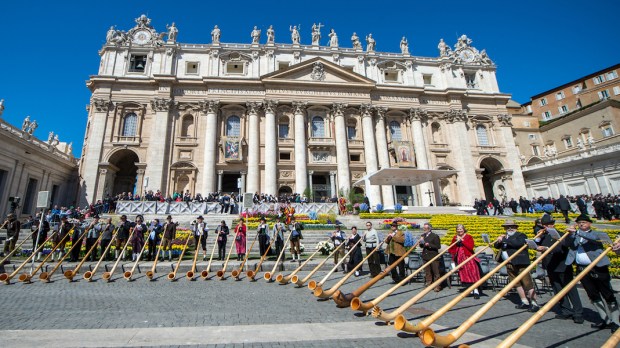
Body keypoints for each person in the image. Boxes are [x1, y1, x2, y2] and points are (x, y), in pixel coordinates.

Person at [565, 214, 619, 331]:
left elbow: (594, 239)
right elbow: (568, 244)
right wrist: (570, 235)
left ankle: (616, 321)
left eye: (584, 222)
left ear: (590, 223)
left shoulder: (596, 234)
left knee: (607, 294)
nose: (581, 224)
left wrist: (577, 233)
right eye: (579, 222)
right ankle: (605, 319)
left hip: (598, 267)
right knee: (592, 295)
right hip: (582, 268)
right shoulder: (575, 235)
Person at [535, 214, 584, 323]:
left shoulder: (561, 234)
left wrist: (546, 248)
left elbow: (560, 248)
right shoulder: (543, 236)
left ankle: (578, 312)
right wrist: (537, 239)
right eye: (546, 225)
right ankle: (566, 310)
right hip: (550, 266)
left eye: (550, 224)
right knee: (557, 289)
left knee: (570, 289)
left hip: (562, 265)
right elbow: (535, 244)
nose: (548, 226)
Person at [494, 220, 539, 312]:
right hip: (509, 263)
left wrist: (504, 240)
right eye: (507, 227)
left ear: (516, 227)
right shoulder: (505, 237)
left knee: (527, 283)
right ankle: (524, 301)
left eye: (512, 227)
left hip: (520, 262)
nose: (510, 228)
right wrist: (499, 241)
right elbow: (496, 246)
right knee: (516, 283)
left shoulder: (521, 235)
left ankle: (534, 303)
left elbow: (517, 244)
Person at [448, 224, 481, 299]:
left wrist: (463, 241)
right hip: (460, 259)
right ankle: (469, 290)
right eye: (458, 229)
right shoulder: (455, 237)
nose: (459, 231)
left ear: (464, 229)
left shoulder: (468, 237)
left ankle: (476, 290)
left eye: (461, 229)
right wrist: (455, 241)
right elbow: (451, 249)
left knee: (472, 273)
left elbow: (471, 247)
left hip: (468, 258)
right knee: (464, 274)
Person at [420, 222, 441, 290]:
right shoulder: (423, 235)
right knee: (427, 271)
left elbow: (438, 246)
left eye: (426, 228)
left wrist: (429, 245)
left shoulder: (435, 236)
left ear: (430, 228)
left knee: (436, 272)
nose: (425, 229)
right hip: (425, 256)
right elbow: (421, 246)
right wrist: (421, 243)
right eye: (424, 228)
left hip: (433, 256)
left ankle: (437, 285)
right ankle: (429, 283)